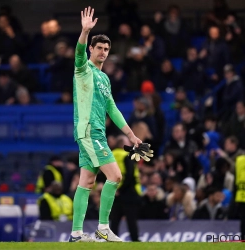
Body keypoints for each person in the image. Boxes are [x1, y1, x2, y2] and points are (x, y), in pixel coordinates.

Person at [69, 6, 151, 243]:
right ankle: (103, 228)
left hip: (97, 132)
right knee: (115, 177)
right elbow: (78, 52)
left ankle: (75, 234)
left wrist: (132, 136)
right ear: (92, 50)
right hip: (88, 130)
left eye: (107, 49)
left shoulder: (104, 78)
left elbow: (112, 109)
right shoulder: (83, 70)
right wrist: (85, 32)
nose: (103, 52)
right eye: (100, 48)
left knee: (86, 182)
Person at [110, 136, 142, 242]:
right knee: (131, 221)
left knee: (114, 220)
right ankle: (135, 241)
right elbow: (130, 175)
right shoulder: (127, 155)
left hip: (114, 191)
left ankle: (112, 242)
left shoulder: (110, 156)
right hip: (128, 193)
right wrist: (122, 189)